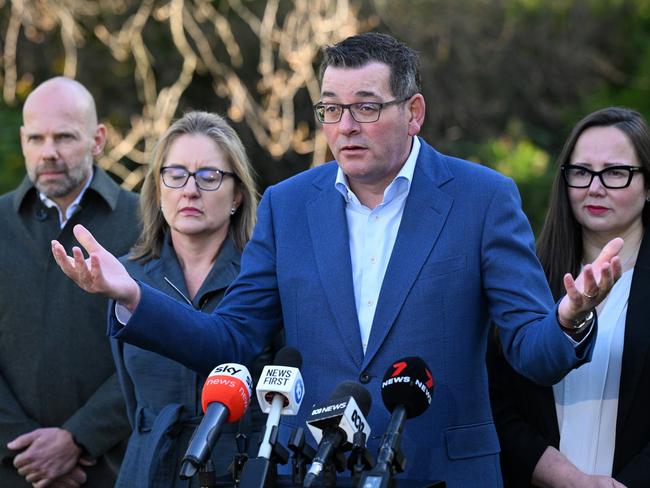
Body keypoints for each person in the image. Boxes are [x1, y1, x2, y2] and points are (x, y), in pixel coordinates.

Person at [52, 33, 622, 486]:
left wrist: (570, 318)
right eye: (330, 109)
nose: (344, 127)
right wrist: (132, 296)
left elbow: (533, 352)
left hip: (442, 472)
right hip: (311, 471)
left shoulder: (483, 198)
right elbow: (232, 340)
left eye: (366, 108)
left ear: (414, 111)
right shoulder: (288, 204)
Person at [111, 110, 279, 487]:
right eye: (176, 175)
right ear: (157, 190)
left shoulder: (263, 276)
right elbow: (129, 395)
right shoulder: (125, 277)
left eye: (209, 176)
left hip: (237, 470)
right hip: (148, 469)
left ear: (237, 195)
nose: (190, 190)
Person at [488, 107, 650, 488]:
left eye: (615, 172)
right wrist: (569, 480)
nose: (595, 187)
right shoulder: (526, 280)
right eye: (581, 172)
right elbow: (500, 407)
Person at [0, 77, 139, 487]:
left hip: (112, 467)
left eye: (64, 137)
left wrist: (79, 438)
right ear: (23, 140)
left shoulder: (145, 223)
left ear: (98, 140)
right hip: (11, 470)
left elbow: (156, 349)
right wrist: (27, 450)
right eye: (36, 138)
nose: (49, 153)